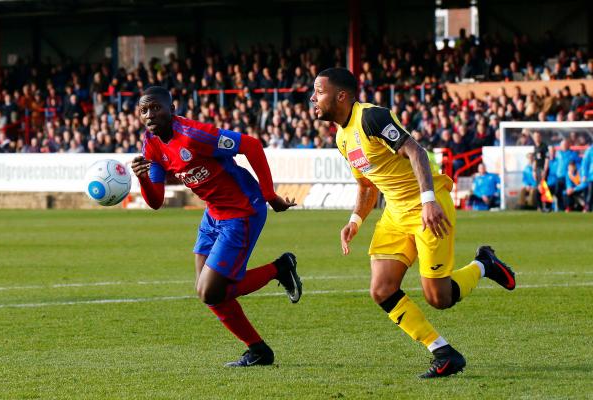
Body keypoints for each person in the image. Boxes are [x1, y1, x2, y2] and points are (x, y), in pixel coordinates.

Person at [310, 68, 515, 379]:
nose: (313, 97)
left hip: (426, 206)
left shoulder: (371, 118)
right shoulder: (341, 137)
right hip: (395, 212)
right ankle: (443, 352)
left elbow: (416, 151)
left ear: (341, 96)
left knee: (439, 298)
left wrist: (430, 200)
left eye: (319, 91)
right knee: (381, 289)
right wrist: (355, 220)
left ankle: (484, 264)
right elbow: (367, 184)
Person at [131, 86, 302, 367]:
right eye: (143, 110)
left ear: (171, 110)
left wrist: (270, 195)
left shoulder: (194, 135)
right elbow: (156, 201)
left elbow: (251, 145)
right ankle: (259, 351)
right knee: (209, 292)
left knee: (210, 291)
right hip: (214, 215)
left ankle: (279, 268)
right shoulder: (151, 143)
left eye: (156, 108)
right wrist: (144, 179)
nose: (149, 114)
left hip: (242, 211)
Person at [532, 131, 550, 212]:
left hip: (543, 170)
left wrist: (545, 171)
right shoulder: (535, 147)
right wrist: (534, 171)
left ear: (540, 137)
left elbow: (547, 159)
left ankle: (547, 206)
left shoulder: (544, 146)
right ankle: (540, 206)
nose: (536, 138)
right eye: (535, 137)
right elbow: (535, 160)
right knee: (538, 188)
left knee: (543, 188)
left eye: (538, 136)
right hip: (538, 170)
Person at [582, 144, 593, 212]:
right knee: (590, 193)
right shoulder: (590, 150)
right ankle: (587, 208)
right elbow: (585, 163)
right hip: (591, 177)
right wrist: (584, 175)